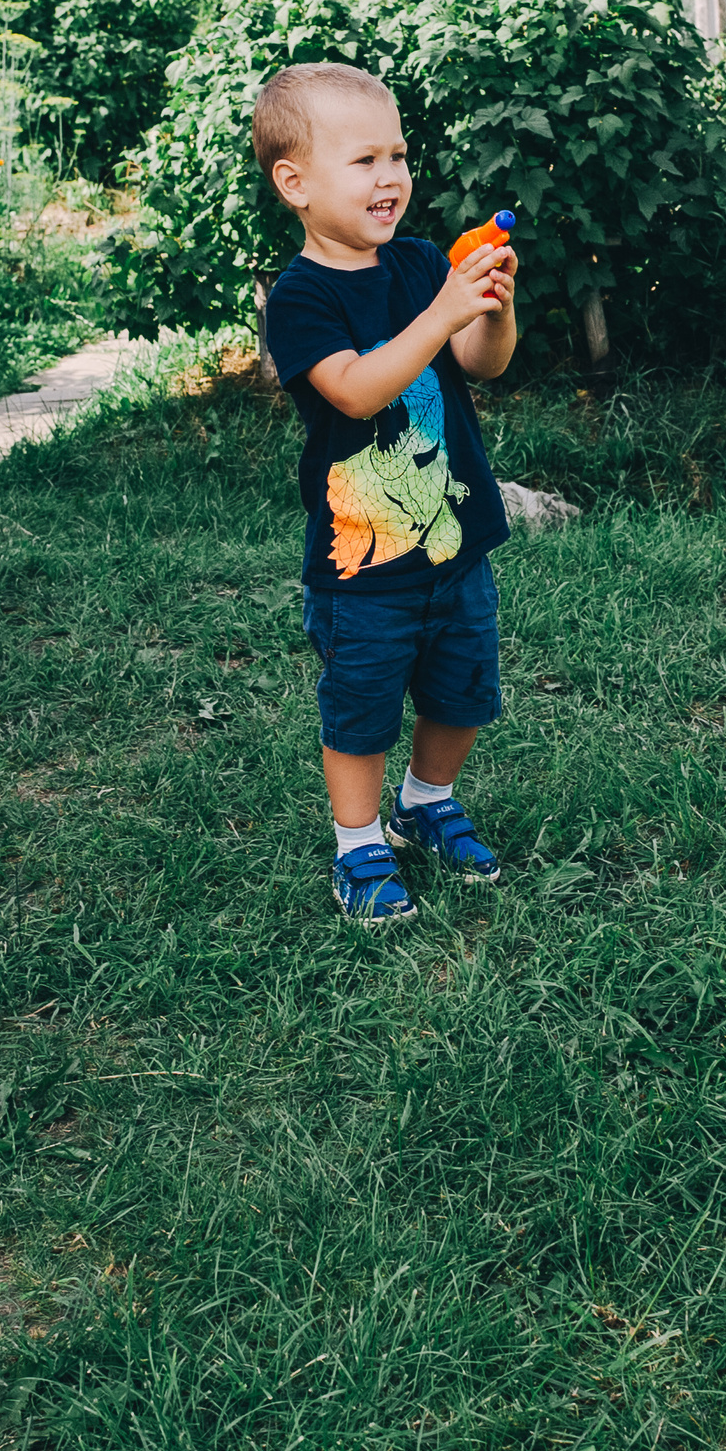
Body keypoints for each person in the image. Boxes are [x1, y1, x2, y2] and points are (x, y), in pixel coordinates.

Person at [254, 62, 520, 924]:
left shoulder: (418, 265)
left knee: (462, 690)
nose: (391, 176)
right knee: (361, 707)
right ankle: (359, 841)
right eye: (364, 159)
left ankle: (426, 800)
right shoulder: (302, 297)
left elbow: (482, 363)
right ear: (295, 183)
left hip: (454, 541)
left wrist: (490, 305)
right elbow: (356, 391)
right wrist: (443, 312)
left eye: (398, 155)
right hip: (363, 564)